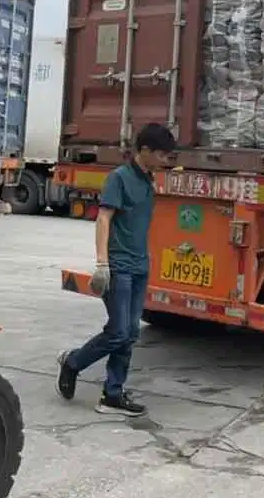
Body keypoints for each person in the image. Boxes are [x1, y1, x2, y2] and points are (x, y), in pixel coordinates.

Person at [56, 122, 176, 417]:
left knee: (130, 332)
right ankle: (73, 362)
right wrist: (101, 263)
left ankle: (112, 394)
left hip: (139, 267)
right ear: (145, 151)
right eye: (162, 155)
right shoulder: (118, 179)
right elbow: (104, 219)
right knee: (119, 331)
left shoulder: (148, 180)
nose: (166, 162)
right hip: (118, 268)